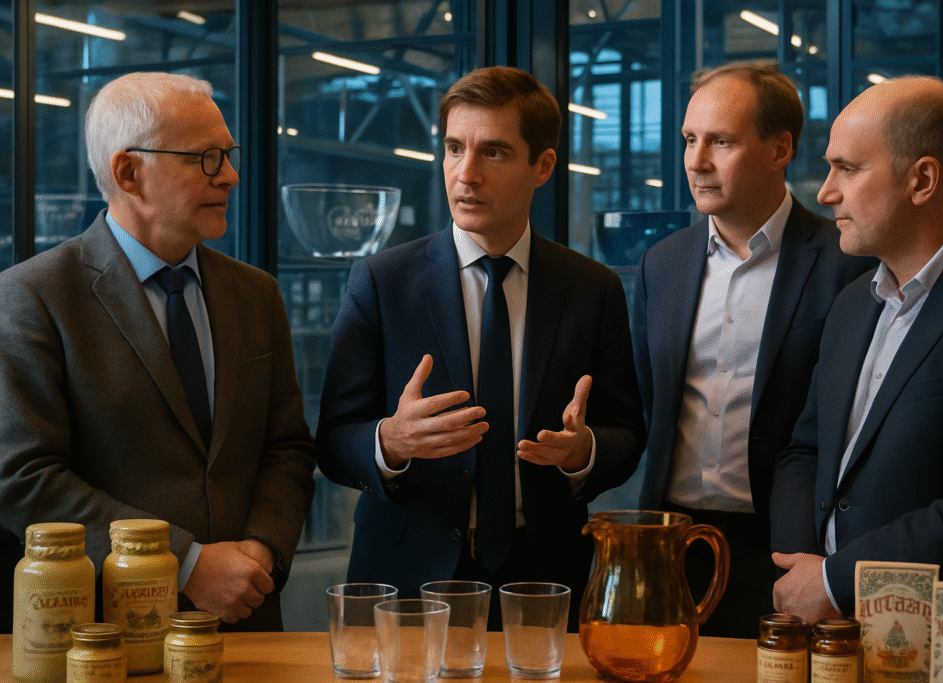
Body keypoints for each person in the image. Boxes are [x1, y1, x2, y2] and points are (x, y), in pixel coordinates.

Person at [315, 66, 646, 628]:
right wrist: (390, 442)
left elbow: (627, 433)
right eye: (453, 148)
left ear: (542, 166)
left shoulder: (592, 288)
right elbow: (333, 441)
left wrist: (582, 452)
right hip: (407, 576)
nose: (465, 174)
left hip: (545, 577)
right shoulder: (382, 280)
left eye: (492, 153)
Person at [0, 72, 316, 632]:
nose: (232, 175)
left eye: (229, 154)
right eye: (207, 158)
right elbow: (23, 477)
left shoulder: (256, 294)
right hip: (106, 636)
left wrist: (259, 555)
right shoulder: (33, 296)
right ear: (129, 172)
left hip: (249, 622)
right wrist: (185, 563)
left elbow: (286, 447)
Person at [770, 75, 943, 646]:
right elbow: (805, 450)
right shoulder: (853, 302)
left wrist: (837, 582)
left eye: (847, 168)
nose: (826, 192)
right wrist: (803, 570)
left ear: (923, 179)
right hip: (828, 633)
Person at [631, 61, 873, 637]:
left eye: (722, 141)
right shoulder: (661, 264)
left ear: (779, 148)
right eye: (690, 139)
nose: (696, 161)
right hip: (671, 543)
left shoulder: (848, 263)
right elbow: (648, 402)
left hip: (787, 549)